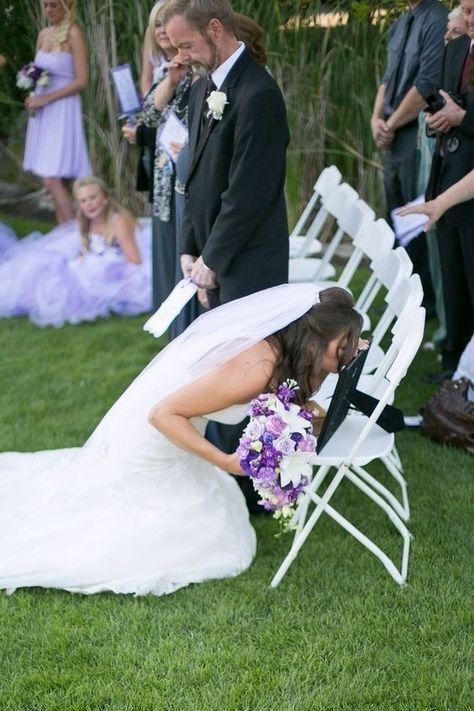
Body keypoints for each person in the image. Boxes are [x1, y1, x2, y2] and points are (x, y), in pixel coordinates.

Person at [0, 285, 362, 595]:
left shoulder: (280, 352)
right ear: (313, 338)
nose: (339, 363)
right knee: (202, 541)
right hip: (152, 440)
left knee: (217, 524)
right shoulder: (259, 367)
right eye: (338, 351)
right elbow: (162, 414)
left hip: (172, 435)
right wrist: (222, 461)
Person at [161, 0, 290, 310]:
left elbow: (249, 193)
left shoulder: (259, 95)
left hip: (249, 265)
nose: (181, 57)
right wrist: (190, 248)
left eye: (186, 45)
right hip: (212, 260)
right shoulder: (201, 87)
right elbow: (196, 176)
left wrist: (213, 259)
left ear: (215, 29)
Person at [370, 0, 447, 316]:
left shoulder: (438, 18)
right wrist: (376, 118)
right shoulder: (402, 22)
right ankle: (404, 295)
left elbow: (426, 83)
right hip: (391, 133)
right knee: (397, 216)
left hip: (413, 132)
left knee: (415, 219)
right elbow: (387, 80)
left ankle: (424, 303)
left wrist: (390, 122)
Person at [0, 176, 151, 327]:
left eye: (93, 198)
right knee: (51, 272)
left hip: (118, 265)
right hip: (95, 260)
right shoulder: (86, 221)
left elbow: (134, 260)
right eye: (83, 201)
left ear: (105, 198)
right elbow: (86, 248)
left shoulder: (118, 221)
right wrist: (80, 262)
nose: (89, 204)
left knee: (77, 285)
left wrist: (108, 270)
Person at [123, 2, 193, 312]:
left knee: (180, 246)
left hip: (185, 171)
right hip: (164, 172)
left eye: (168, 23)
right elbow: (150, 112)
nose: (163, 30)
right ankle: (168, 317)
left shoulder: (197, 70)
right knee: (165, 246)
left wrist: (141, 135)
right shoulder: (169, 71)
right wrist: (170, 79)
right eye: (158, 25)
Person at [422, 0, 474, 378]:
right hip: (449, 173)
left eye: (473, 13)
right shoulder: (456, 48)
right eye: (467, 11)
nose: (467, 20)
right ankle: (455, 363)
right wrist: (436, 119)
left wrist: (464, 118)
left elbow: (465, 113)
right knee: (454, 280)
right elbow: (443, 102)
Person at [23, 0, 91, 224]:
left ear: (66, 6)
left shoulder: (74, 33)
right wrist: (32, 94)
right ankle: (63, 231)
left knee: (52, 178)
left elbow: (82, 80)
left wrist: (46, 98)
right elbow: (36, 72)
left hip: (62, 108)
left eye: (54, 5)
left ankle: (74, 233)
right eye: (45, 5)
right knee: (50, 177)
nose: (49, 10)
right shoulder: (43, 35)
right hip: (43, 112)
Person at [140, 3, 170, 97]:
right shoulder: (150, 32)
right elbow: (146, 76)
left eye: (166, 24)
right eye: (158, 25)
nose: (162, 30)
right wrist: (148, 101)